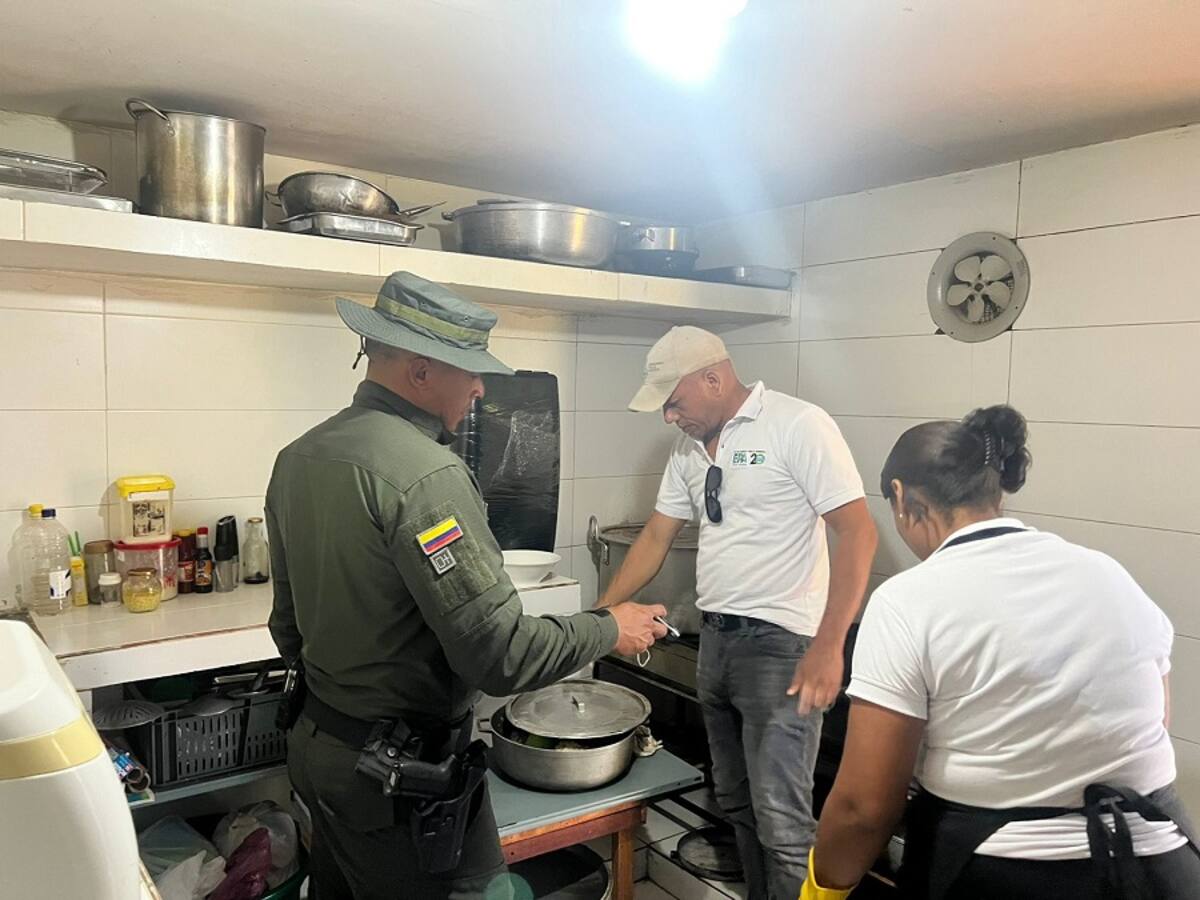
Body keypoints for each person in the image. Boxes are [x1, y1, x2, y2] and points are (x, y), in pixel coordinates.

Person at [265, 271, 668, 900]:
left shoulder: (301, 455)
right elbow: (500, 657)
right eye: (467, 369)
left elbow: (286, 626)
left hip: (321, 753)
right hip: (398, 778)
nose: (481, 387)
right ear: (421, 371)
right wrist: (610, 627)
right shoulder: (428, 475)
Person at [801, 405, 1200, 900]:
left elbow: (864, 807)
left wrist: (823, 890)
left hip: (1000, 874)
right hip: (1161, 869)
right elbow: (1152, 721)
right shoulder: (1108, 573)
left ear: (903, 499)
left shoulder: (909, 600)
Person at [598, 325, 878, 900]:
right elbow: (655, 537)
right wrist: (597, 618)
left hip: (783, 650)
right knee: (737, 802)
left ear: (713, 378)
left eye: (674, 403)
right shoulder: (688, 450)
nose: (669, 418)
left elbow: (858, 533)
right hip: (717, 643)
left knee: (782, 819)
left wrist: (830, 646)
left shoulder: (797, 425)